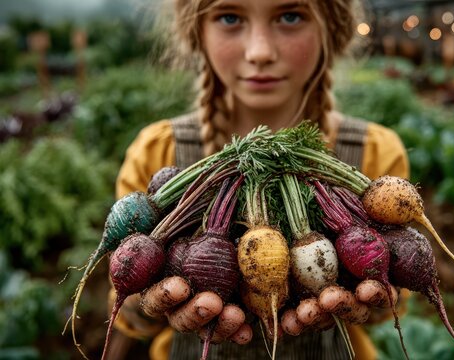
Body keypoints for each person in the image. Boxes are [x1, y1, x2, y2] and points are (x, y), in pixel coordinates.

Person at [107, 0, 410, 359]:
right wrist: (143, 303)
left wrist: (379, 299)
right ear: (197, 34)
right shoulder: (157, 151)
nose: (260, 51)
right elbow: (124, 304)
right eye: (230, 17)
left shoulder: (375, 157)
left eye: (290, 16)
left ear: (332, 28)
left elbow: (391, 301)